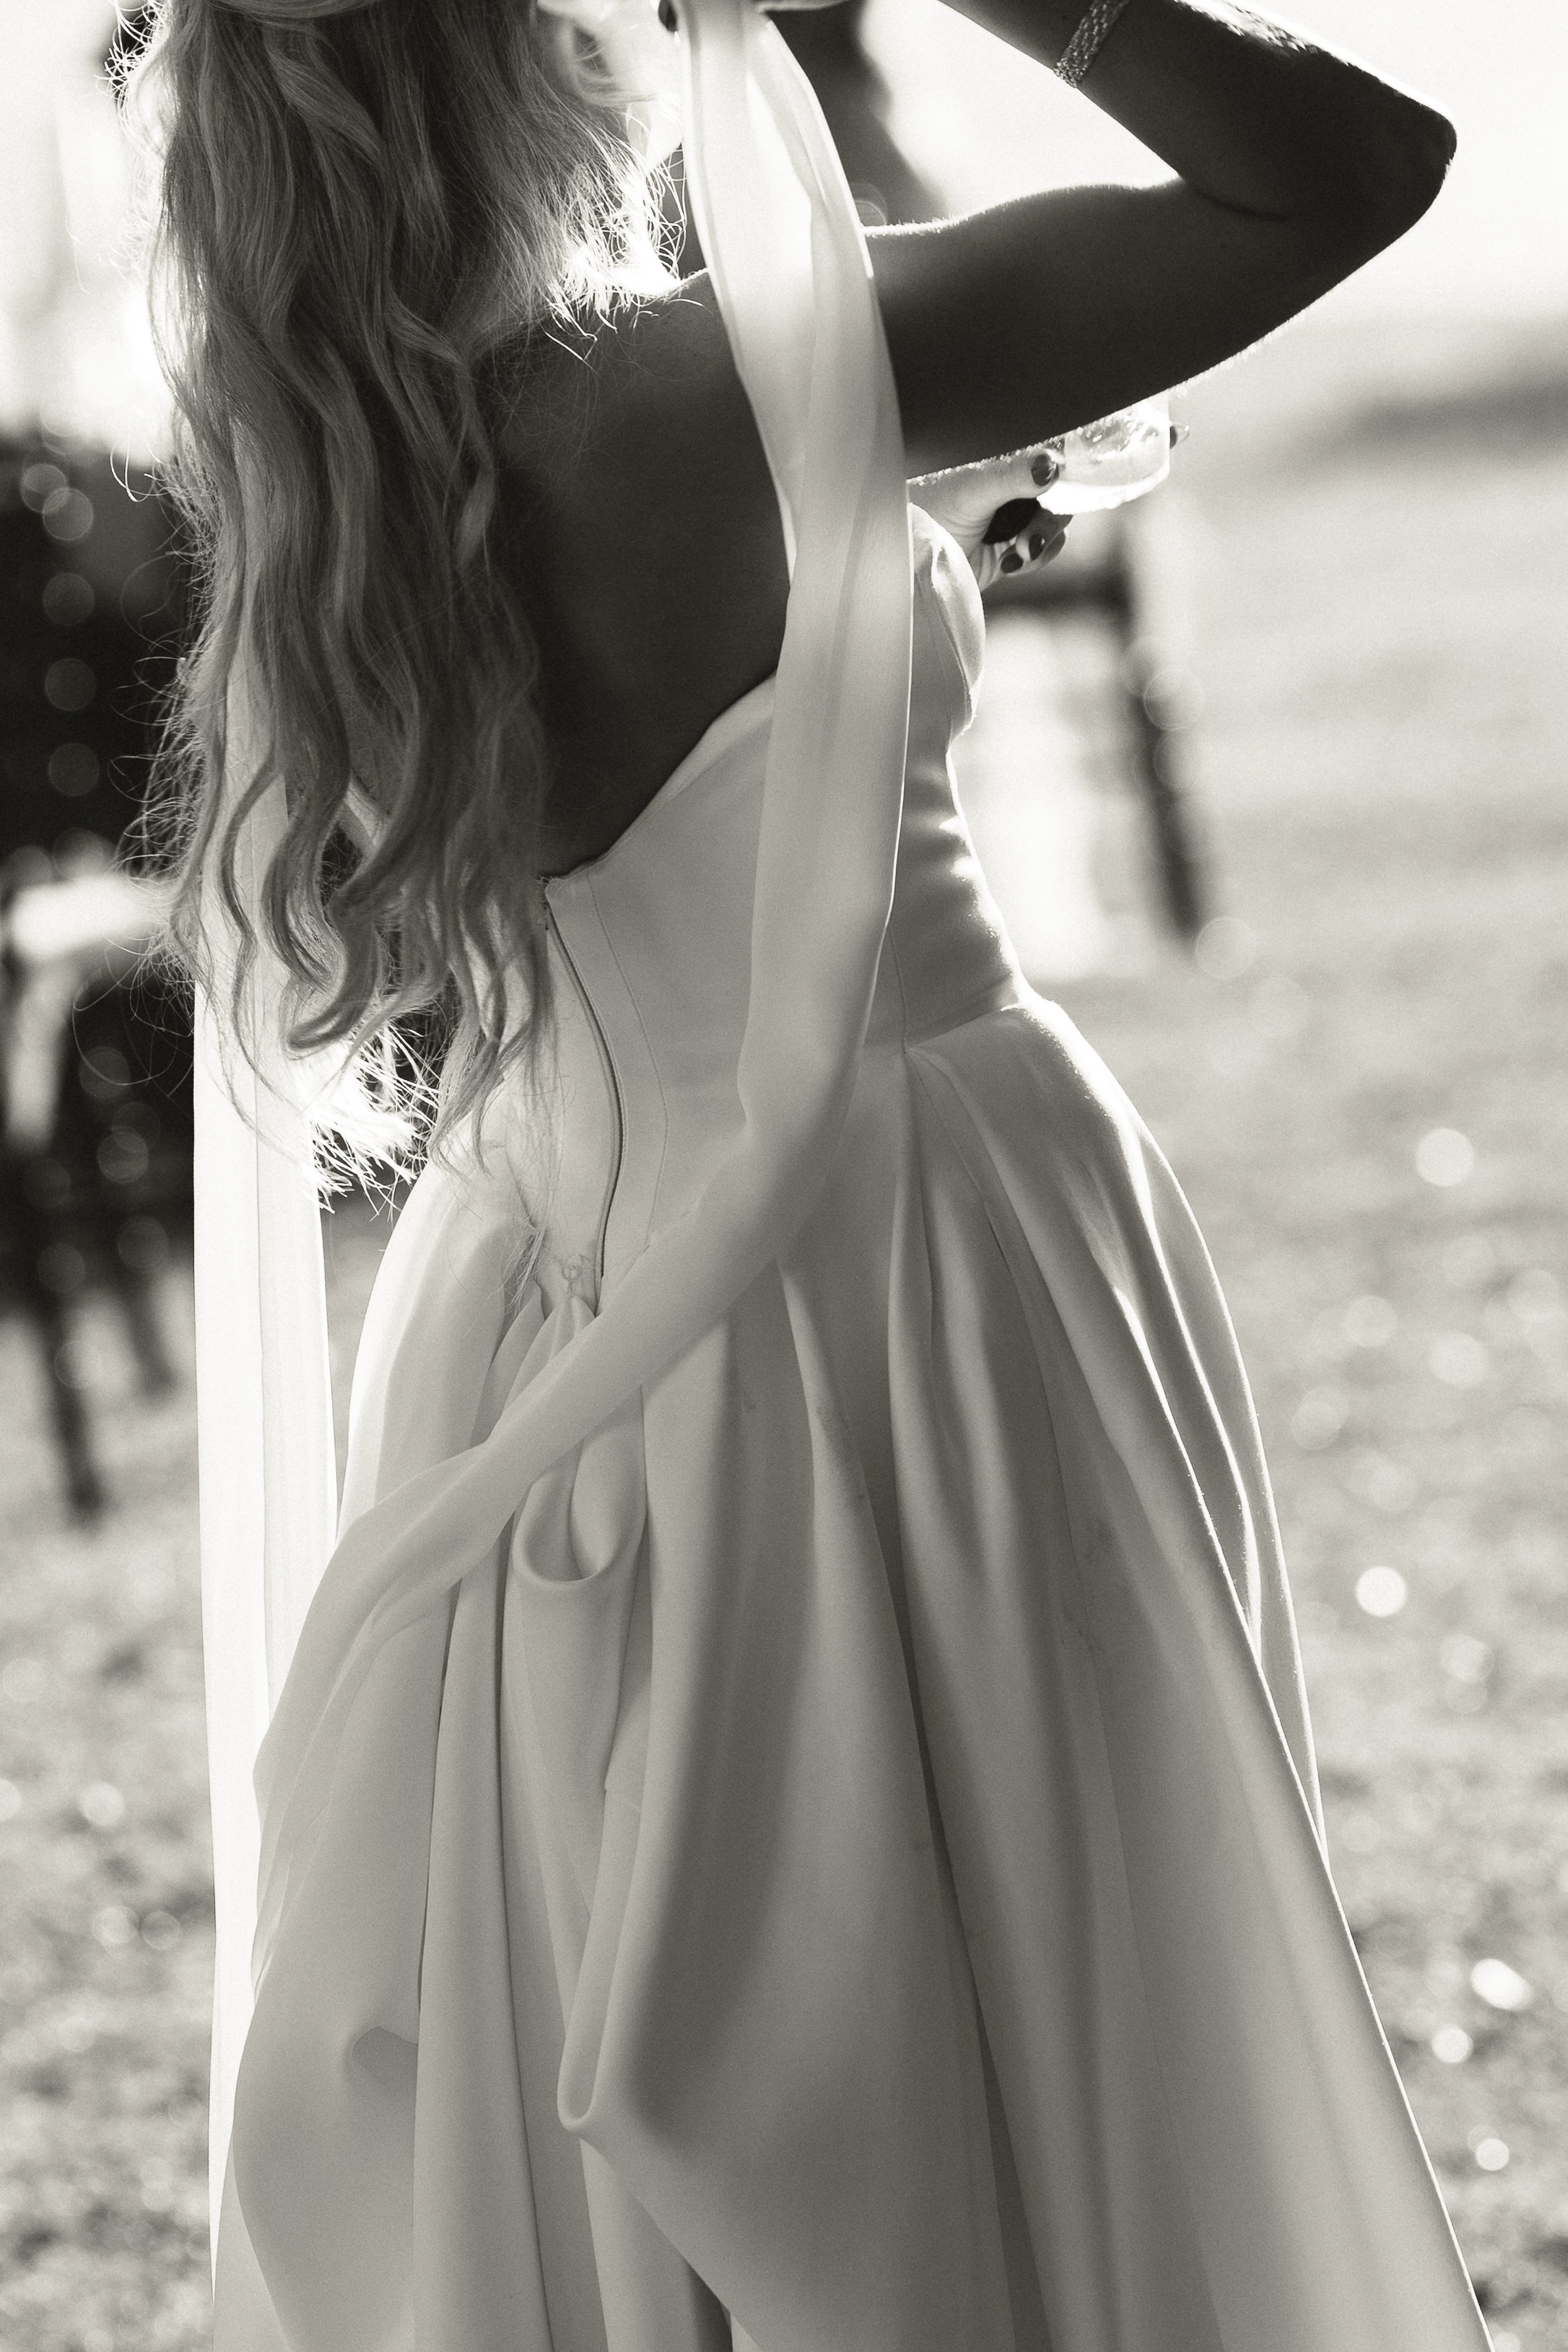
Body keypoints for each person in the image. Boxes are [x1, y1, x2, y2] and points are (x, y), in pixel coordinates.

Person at [132, 1, 1491, 2348]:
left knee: (734, 1971)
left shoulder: (325, 484)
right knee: (1048, 1945)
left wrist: (903, 519)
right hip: (923, 1239)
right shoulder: (756, 369)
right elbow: (1347, 169)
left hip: (557, 1274)